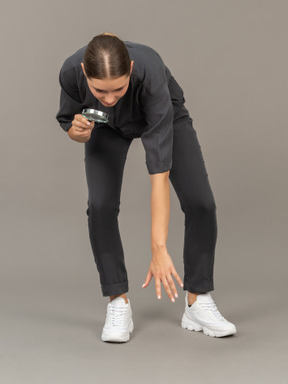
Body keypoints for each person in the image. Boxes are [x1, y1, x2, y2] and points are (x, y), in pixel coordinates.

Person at [56, 33, 237, 342]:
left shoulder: (150, 75)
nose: (110, 98)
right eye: (100, 91)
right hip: (106, 128)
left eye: (118, 88)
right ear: (86, 73)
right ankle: (118, 302)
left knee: (201, 202)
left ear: (132, 69)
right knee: (100, 206)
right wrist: (78, 132)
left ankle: (197, 300)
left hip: (164, 117)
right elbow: (72, 127)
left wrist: (159, 248)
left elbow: (159, 175)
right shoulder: (72, 72)